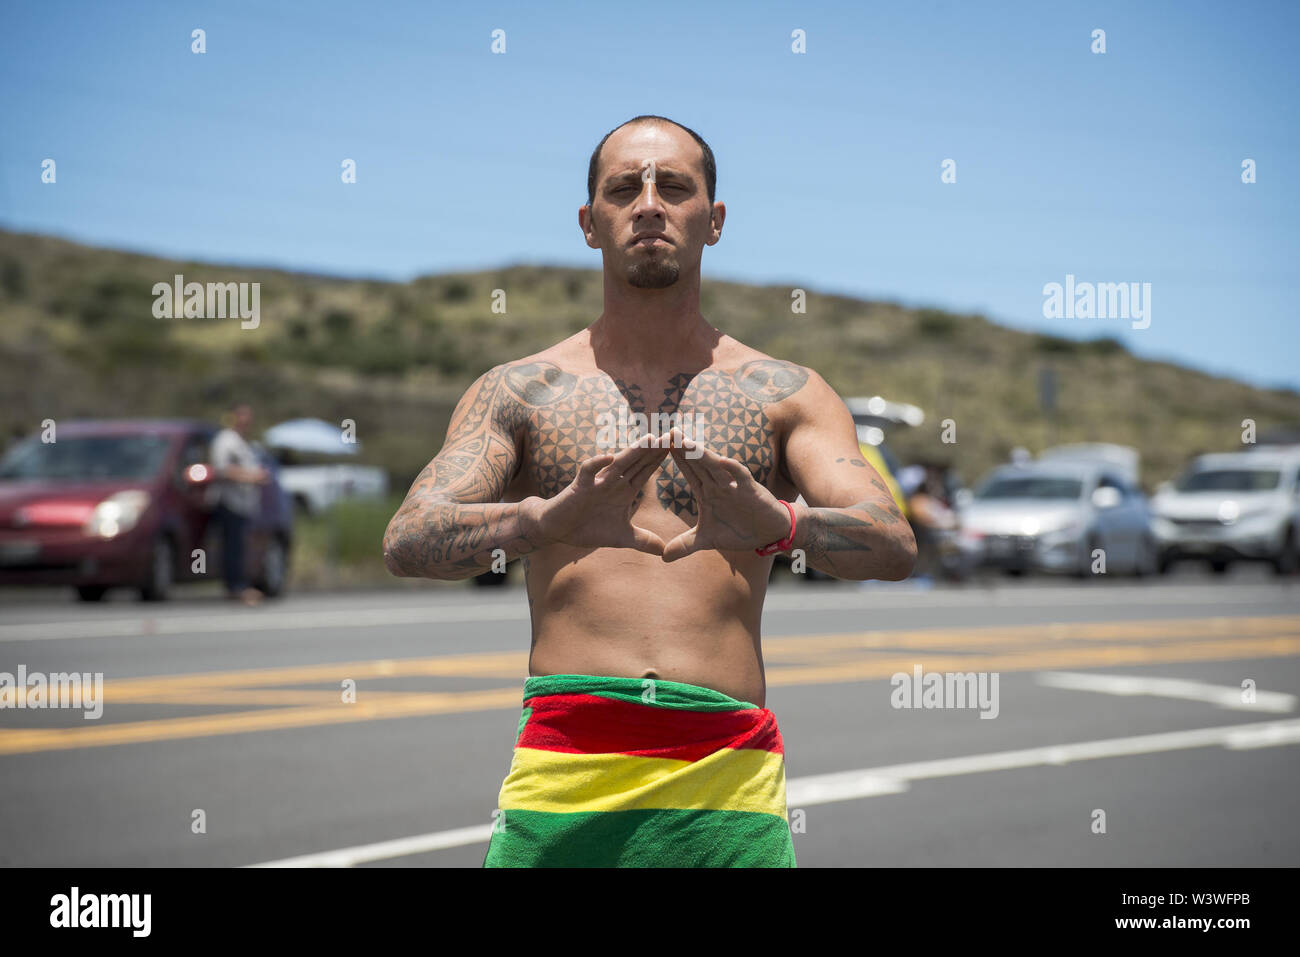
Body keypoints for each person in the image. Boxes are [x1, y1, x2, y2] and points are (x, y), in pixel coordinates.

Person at [383, 115, 917, 867]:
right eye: (623, 188)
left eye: (674, 186)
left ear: (715, 220)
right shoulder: (521, 391)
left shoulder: (787, 393)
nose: (648, 203)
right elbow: (408, 539)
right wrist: (541, 520)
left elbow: (893, 542)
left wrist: (782, 524)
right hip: (565, 772)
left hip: (725, 777)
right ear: (589, 223)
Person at [209, 404, 270, 606]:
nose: (246, 421)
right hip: (229, 502)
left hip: (244, 504)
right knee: (232, 547)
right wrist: (253, 477)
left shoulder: (244, 443)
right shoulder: (225, 441)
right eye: (242, 416)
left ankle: (239, 585)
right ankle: (235, 587)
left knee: (240, 547)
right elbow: (223, 469)